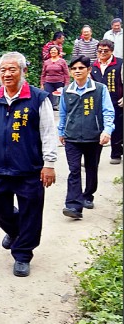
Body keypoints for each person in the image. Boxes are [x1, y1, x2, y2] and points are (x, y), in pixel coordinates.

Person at [0, 52, 57, 278]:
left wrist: (49, 163)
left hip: (29, 168)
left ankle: (22, 254)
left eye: (12, 69)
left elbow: (48, 133)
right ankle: (16, 230)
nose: (7, 74)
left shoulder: (38, 98)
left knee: (31, 211)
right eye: (3, 70)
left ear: (23, 71)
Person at [58, 56, 115, 220]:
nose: (77, 71)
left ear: (89, 70)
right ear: (70, 71)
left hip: (94, 137)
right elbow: (63, 113)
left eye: (81, 68)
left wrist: (107, 130)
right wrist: (61, 131)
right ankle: (73, 205)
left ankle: (88, 195)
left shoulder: (100, 89)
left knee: (91, 168)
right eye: (74, 68)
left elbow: (108, 111)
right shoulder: (66, 91)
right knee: (74, 170)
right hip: (72, 137)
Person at [90, 39, 123, 164]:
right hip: (98, 101)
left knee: (117, 128)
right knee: (96, 128)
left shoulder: (120, 63)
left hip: (117, 100)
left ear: (112, 51)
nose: (102, 53)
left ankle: (116, 153)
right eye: (100, 50)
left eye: (106, 51)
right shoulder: (93, 66)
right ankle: (92, 157)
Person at [40, 45, 70, 109]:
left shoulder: (62, 61)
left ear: (58, 52)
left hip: (59, 82)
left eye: (54, 50)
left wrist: (66, 84)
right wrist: (42, 84)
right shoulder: (46, 62)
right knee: (48, 98)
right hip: (48, 82)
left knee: (59, 98)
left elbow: (66, 73)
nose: (53, 51)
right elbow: (43, 74)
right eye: (51, 50)